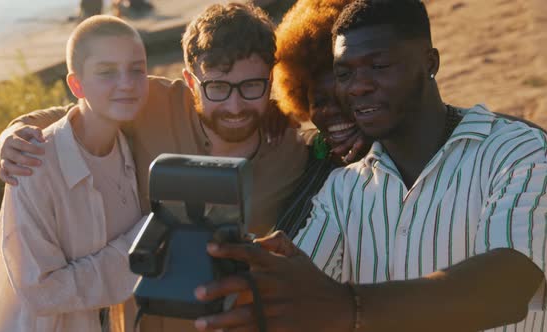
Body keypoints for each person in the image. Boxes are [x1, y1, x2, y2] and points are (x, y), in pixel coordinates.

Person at [192, 1, 547, 331]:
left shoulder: (515, 151)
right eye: (344, 73)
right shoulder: (342, 189)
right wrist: (260, 281)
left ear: (430, 63)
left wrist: (350, 306)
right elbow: (304, 294)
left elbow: (510, 286)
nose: (358, 87)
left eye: (378, 66)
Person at [0, 3, 308, 331]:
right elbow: (83, 111)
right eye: (217, 87)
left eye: (251, 86)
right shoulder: (153, 102)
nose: (235, 106)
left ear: (271, 79)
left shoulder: (292, 146)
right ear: (189, 80)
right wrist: (12, 133)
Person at [0, 15, 149, 331]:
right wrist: (142, 245)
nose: (126, 83)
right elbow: (41, 292)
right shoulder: (33, 163)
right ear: (76, 84)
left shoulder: (128, 147)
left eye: (137, 69)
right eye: (107, 72)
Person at [272, 0, 370, 238]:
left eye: (343, 99)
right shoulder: (309, 159)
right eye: (319, 103)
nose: (330, 112)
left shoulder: (402, 155)